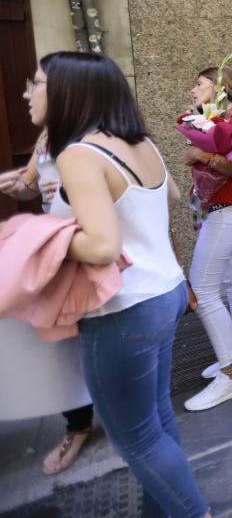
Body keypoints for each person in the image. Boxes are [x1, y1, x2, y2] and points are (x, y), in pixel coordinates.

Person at [40, 51, 210, 518]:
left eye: (36, 83)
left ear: (68, 92)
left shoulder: (78, 153)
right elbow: (170, 195)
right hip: (165, 292)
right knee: (154, 421)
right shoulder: (139, 143)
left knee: (134, 436)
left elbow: (100, 245)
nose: (28, 93)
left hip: (123, 308)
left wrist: (35, 238)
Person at [0, 99, 94, 475]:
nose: (25, 95)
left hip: (85, 241)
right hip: (54, 242)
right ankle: (78, 425)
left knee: (95, 335)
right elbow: (31, 186)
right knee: (58, 337)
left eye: (35, 85)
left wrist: (72, 190)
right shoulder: (45, 135)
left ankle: (130, 420)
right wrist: (17, 188)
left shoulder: (91, 134)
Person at [182, 66, 232, 412]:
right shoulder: (215, 120)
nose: (192, 90)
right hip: (223, 212)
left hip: (228, 214)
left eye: (198, 84)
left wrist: (205, 156)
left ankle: (231, 375)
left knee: (202, 289)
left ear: (219, 89)